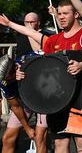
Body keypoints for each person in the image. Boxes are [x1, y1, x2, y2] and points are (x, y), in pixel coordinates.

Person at [10, 0, 82, 153]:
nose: (61, 17)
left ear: (77, 14)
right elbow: (42, 69)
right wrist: (22, 74)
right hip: (58, 101)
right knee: (60, 145)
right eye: (59, 13)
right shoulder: (52, 40)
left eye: (65, 13)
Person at [0, 13, 49, 153]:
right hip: (24, 102)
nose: (7, 80)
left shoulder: (31, 57)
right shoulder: (3, 81)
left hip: (43, 97)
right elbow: (15, 106)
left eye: (9, 77)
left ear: (13, 68)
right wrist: (27, 128)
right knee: (7, 138)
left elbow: (47, 57)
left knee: (40, 137)